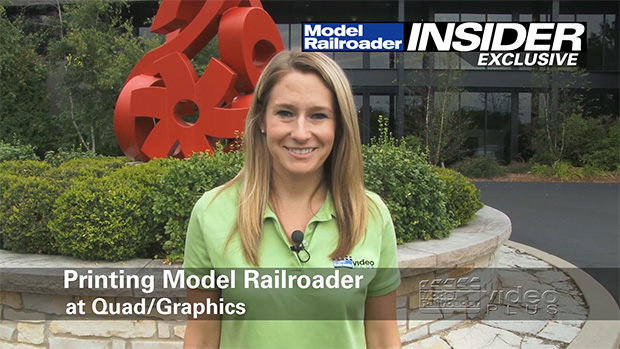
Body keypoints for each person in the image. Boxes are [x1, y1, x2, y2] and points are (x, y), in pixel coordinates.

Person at [183, 50, 401, 348]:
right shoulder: (211, 212)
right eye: (285, 113)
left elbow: (382, 337)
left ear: (338, 126)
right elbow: (203, 336)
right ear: (262, 119)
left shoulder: (372, 215)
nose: (301, 133)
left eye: (318, 115)